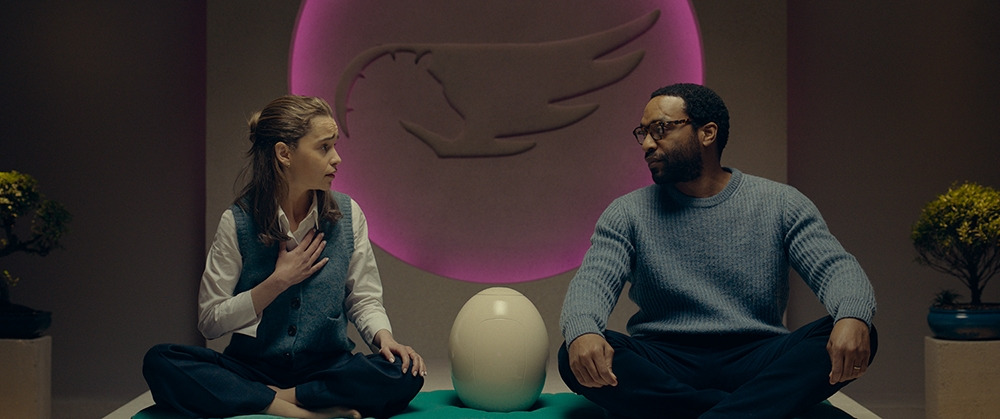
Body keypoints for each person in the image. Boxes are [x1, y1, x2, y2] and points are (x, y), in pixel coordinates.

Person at [558, 83, 877, 419]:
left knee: (861, 331)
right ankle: (747, 409)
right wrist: (584, 331)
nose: (648, 144)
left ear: (707, 133)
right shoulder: (627, 213)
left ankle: (700, 410)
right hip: (664, 360)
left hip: (758, 356)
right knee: (574, 353)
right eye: (644, 133)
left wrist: (852, 317)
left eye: (660, 129)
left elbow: (836, 268)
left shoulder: (781, 204)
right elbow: (592, 282)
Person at [143, 95, 425, 419]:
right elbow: (209, 320)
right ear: (284, 153)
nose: (337, 159)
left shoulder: (349, 215)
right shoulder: (237, 221)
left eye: (334, 146)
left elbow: (363, 299)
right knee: (160, 360)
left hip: (326, 369)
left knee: (405, 371)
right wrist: (277, 282)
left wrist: (385, 339)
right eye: (324, 147)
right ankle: (306, 412)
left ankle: (273, 399)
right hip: (251, 368)